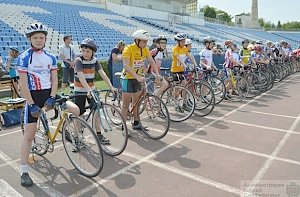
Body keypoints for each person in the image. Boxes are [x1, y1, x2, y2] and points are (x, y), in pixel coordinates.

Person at [18, 23, 58, 187]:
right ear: (30, 39)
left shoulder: (51, 57)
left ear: (45, 39)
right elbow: (23, 85)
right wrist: (32, 104)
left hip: (49, 94)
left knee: (74, 109)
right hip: (33, 96)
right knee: (29, 135)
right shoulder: (24, 57)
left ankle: (75, 136)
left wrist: (53, 97)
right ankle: (23, 171)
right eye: (35, 37)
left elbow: (55, 79)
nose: (39, 40)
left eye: (41, 37)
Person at [73, 38, 116, 144]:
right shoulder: (78, 60)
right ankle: (77, 137)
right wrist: (88, 90)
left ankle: (99, 135)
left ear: (93, 52)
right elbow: (81, 77)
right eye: (83, 51)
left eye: (88, 51)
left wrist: (111, 86)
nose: (85, 53)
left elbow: (103, 74)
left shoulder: (95, 60)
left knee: (96, 111)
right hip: (80, 90)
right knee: (79, 114)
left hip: (92, 89)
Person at [121, 29, 161, 130]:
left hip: (138, 79)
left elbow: (152, 62)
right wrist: (137, 77)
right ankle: (124, 127)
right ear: (137, 40)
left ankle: (136, 123)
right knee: (126, 105)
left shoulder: (145, 49)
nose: (145, 43)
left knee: (136, 103)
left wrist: (157, 74)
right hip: (127, 79)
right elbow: (126, 66)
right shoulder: (128, 49)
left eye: (146, 41)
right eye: (144, 41)